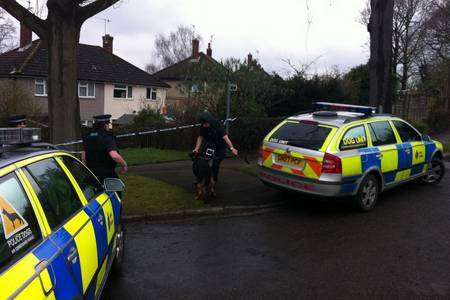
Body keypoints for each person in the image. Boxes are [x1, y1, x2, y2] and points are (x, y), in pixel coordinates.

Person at [193, 111, 238, 190]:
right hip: (211, 145)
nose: (204, 125)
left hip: (220, 147)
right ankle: (201, 179)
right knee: (204, 162)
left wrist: (232, 148)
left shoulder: (217, 124)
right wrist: (196, 148)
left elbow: (225, 137)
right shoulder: (203, 126)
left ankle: (214, 180)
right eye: (203, 124)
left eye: (205, 123)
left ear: (209, 121)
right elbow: (200, 137)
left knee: (215, 164)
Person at [82, 114, 128, 185]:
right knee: (114, 194)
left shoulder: (88, 136)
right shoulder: (107, 137)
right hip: (107, 176)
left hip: (92, 175)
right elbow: (114, 156)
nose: (109, 127)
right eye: (108, 124)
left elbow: (84, 157)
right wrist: (124, 165)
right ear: (105, 125)